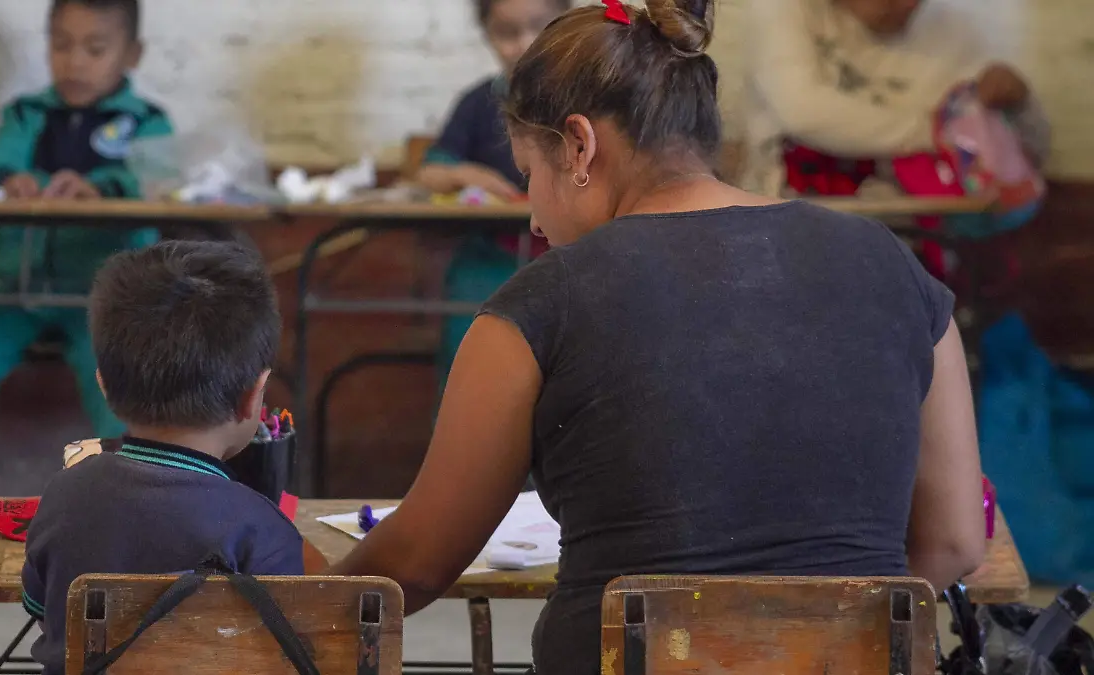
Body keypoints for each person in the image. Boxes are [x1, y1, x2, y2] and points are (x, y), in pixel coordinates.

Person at [329, 2, 987, 673]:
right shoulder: (891, 264)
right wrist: (800, 638)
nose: (533, 217)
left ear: (580, 146)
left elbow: (415, 563)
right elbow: (956, 539)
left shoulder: (540, 302)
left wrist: (293, 587)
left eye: (531, 174)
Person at [21, 240, 306, 675]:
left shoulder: (65, 495)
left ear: (104, 385)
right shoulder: (263, 529)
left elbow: (40, 608)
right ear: (255, 397)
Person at [0, 0, 173, 495]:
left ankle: (123, 488)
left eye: (95, 48)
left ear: (132, 54)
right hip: (18, 293)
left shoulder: (146, 123)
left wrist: (105, 188)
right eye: (61, 45)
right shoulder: (27, 114)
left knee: (111, 379)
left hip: (105, 304)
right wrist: (11, 179)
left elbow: (156, 179)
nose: (75, 62)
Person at [740, 0, 1049, 198]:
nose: (909, 4)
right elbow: (801, 111)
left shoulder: (955, 28)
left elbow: (1026, 149)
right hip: (793, 223)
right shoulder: (784, 10)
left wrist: (1019, 102)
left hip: (919, 237)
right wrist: (943, 134)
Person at [418, 0, 570, 384]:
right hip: (490, 258)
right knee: (471, 370)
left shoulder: (586, 100)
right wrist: (465, 174)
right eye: (507, 33)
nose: (524, 43)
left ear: (564, 22)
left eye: (539, 26)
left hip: (567, 257)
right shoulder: (478, 104)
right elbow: (431, 172)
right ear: (486, 33)